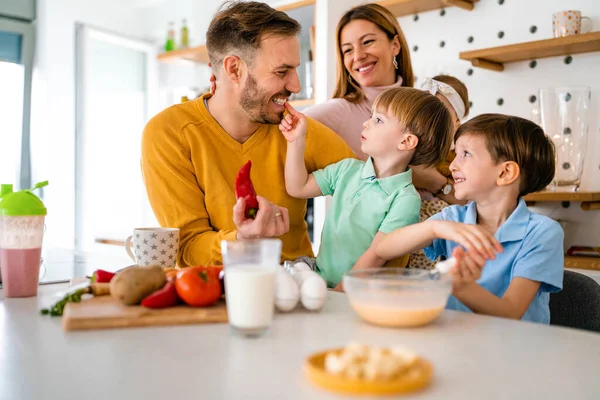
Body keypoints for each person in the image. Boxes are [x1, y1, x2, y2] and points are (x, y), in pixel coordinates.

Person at [141, 1, 354, 267]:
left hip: (298, 291)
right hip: (211, 298)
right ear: (234, 69)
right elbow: (186, 246)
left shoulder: (298, 131)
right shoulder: (169, 133)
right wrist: (241, 239)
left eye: (295, 69)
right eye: (282, 71)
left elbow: (375, 194)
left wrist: (352, 276)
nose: (296, 85)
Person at [377, 114, 564, 324]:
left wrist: (461, 287)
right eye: (456, 154)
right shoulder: (451, 219)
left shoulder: (542, 233)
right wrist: (434, 229)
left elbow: (511, 312)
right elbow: (384, 248)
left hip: (513, 349)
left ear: (505, 172)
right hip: (456, 342)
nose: (452, 166)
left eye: (465, 153)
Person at [281, 87, 453, 290]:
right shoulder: (347, 169)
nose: (366, 123)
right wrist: (296, 141)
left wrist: (338, 295)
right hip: (316, 276)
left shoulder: (405, 199)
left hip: (356, 292)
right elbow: (297, 188)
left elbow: (376, 255)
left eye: (378, 120)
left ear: (406, 141)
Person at [303, 3, 413, 160]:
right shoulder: (338, 111)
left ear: (395, 45)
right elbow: (281, 131)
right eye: (348, 50)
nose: (358, 56)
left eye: (367, 42)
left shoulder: (420, 106)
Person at [409, 75, 470, 270]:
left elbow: (467, 200)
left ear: (456, 121)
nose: (430, 118)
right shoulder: (408, 143)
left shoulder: (459, 155)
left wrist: (437, 183)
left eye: (440, 112)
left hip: (438, 224)